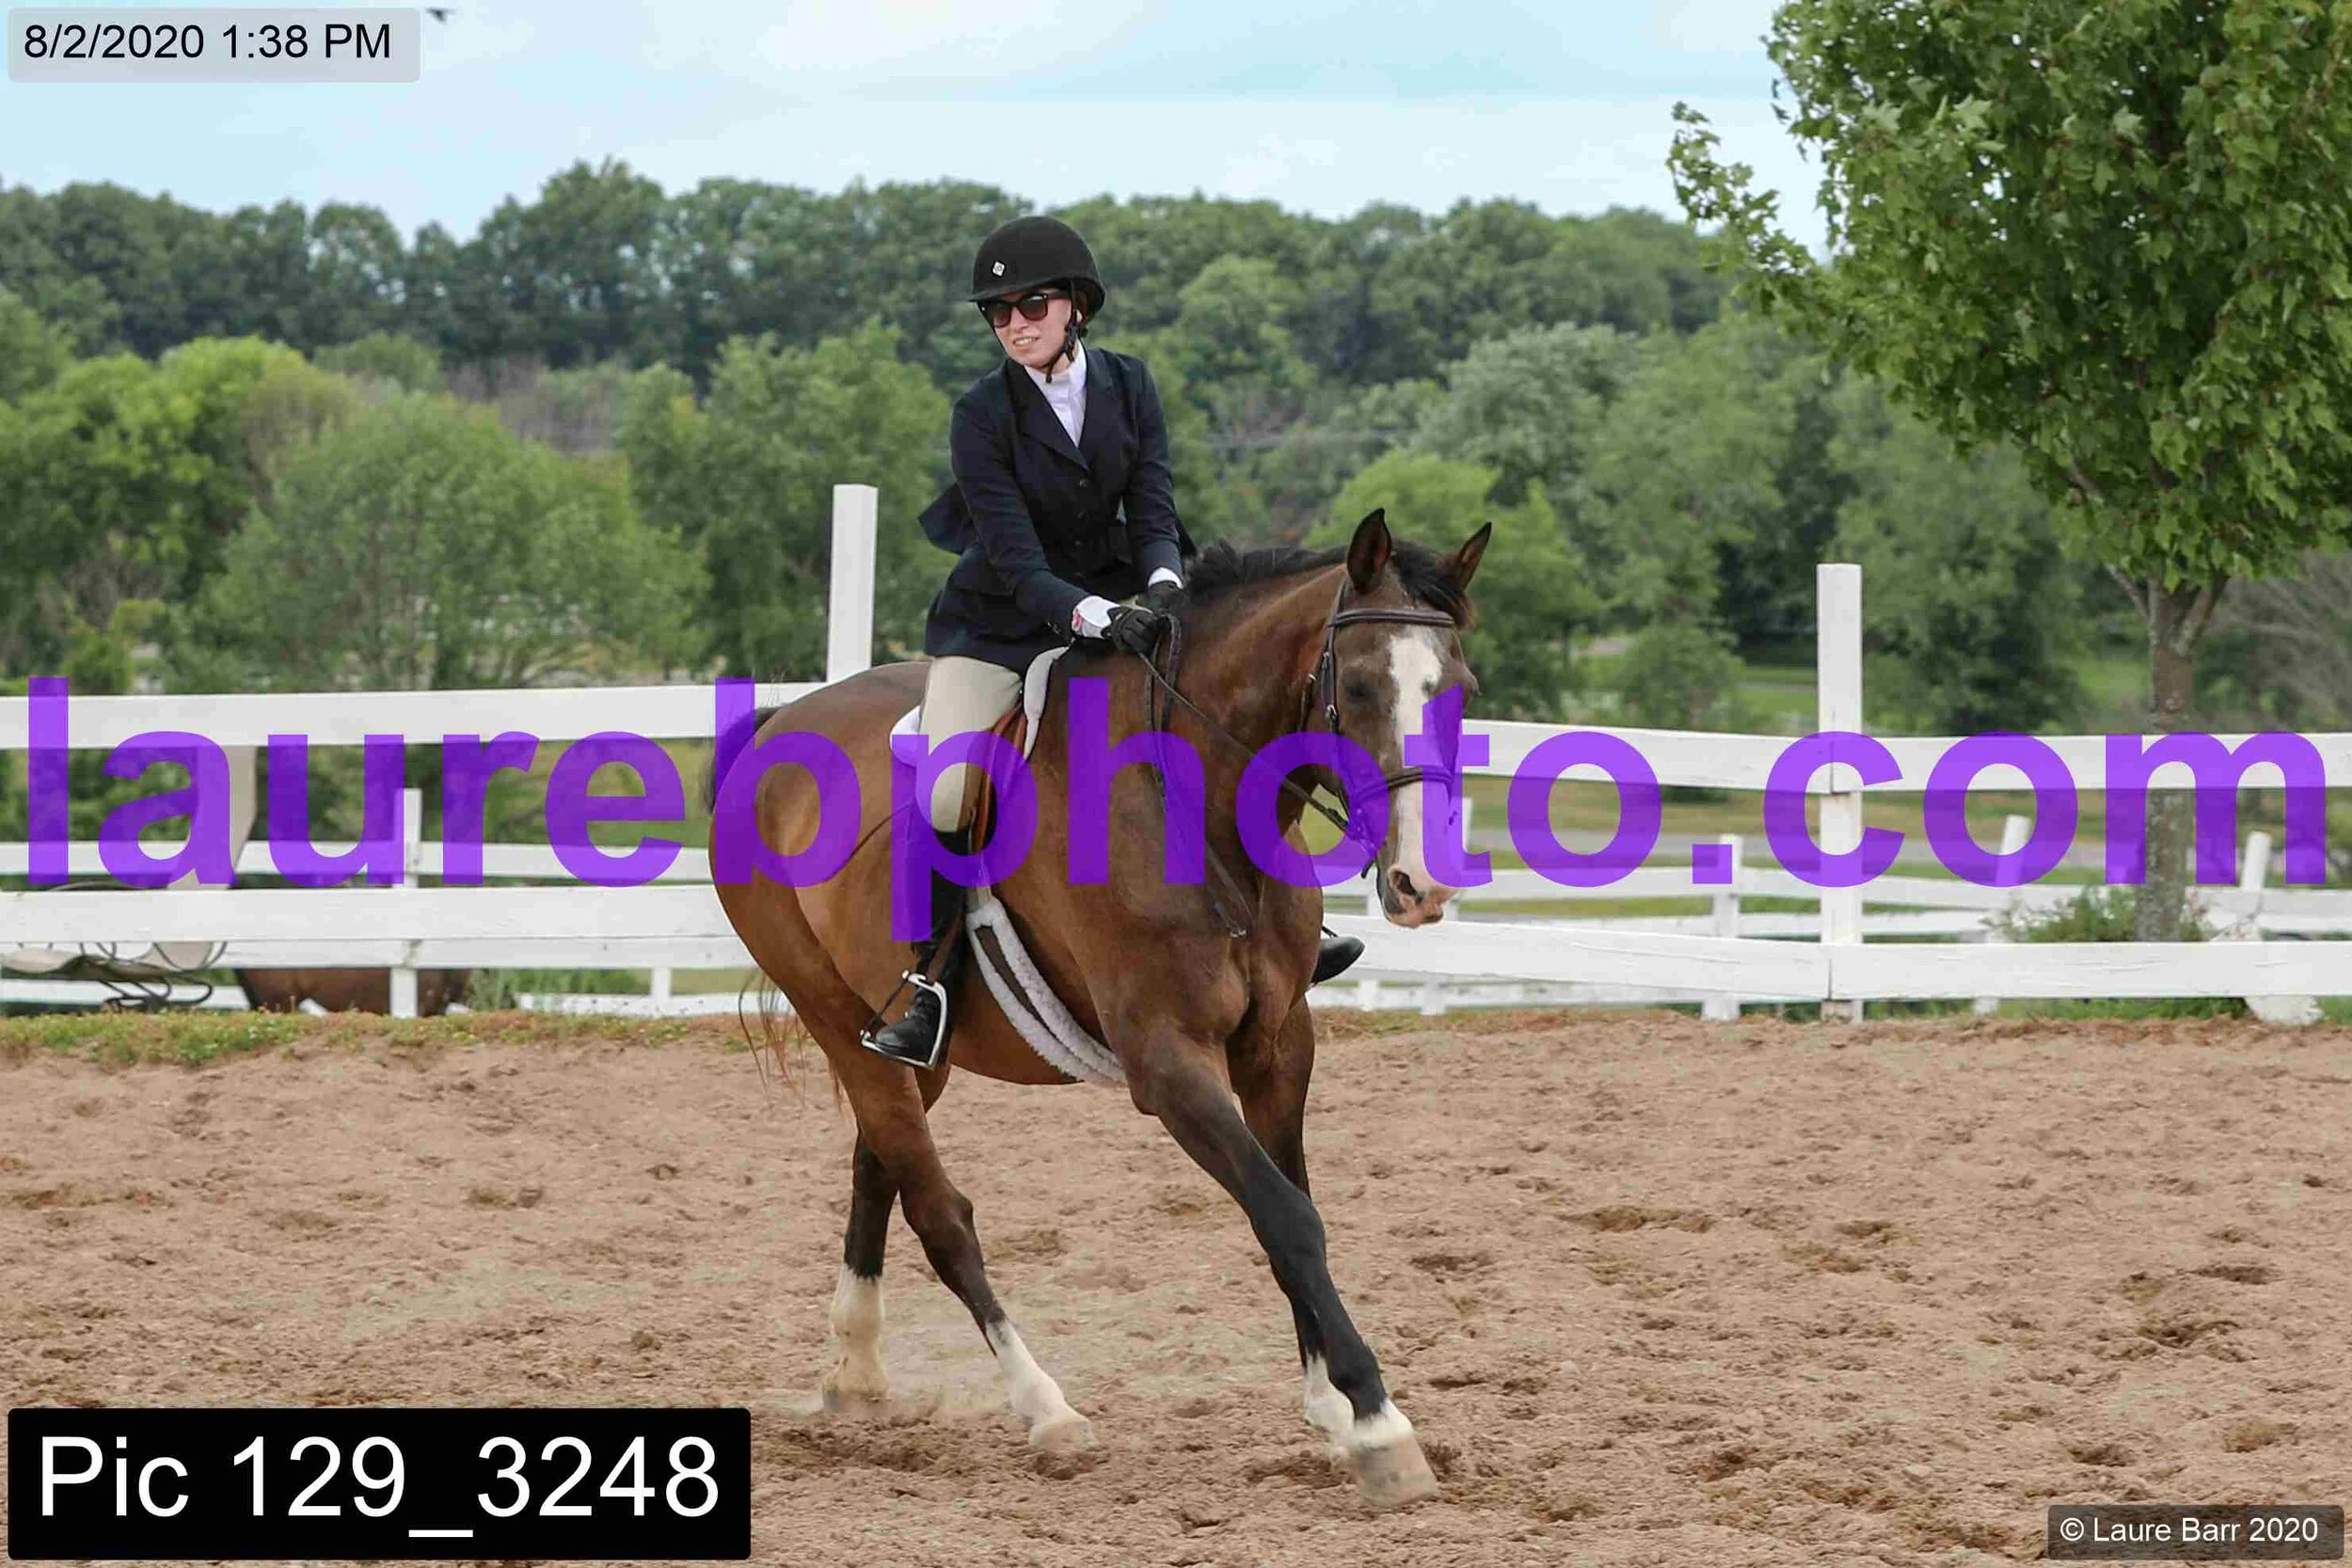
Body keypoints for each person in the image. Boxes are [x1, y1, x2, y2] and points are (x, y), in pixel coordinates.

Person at [862, 214, 1363, 1067]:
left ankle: (1286, 929)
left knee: (1218, 729)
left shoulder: (1130, 384)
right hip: (1001, 626)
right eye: (998, 312)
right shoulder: (981, 414)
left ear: (1077, 307)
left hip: (1126, 601)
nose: (1014, 322)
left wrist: (1164, 584)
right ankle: (932, 981)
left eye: (1031, 304)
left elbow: (1154, 508)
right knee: (945, 792)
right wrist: (1096, 614)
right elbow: (1017, 559)